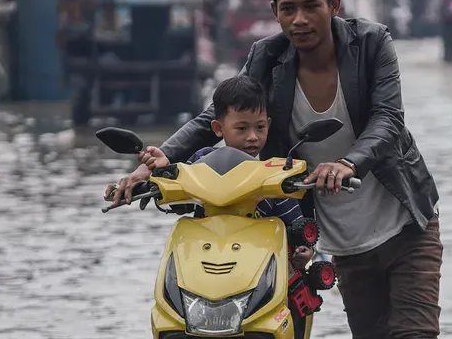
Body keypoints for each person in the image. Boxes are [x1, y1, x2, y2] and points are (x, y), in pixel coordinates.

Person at [107, 0, 448, 339]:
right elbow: (211, 120)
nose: (299, 20)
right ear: (274, 11)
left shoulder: (371, 45)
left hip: (404, 221)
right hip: (341, 235)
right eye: (287, 8)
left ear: (335, 4)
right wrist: (153, 165)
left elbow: (389, 120)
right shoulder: (268, 57)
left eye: (311, 6)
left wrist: (350, 164)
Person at [112, 75, 314, 270]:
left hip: (260, 266)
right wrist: (162, 171)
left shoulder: (275, 173)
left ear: (268, 125)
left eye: (259, 127)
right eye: (242, 128)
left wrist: (304, 250)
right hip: (206, 261)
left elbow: (296, 226)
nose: (253, 137)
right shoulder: (202, 161)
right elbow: (180, 202)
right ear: (218, 128)